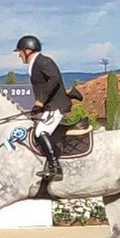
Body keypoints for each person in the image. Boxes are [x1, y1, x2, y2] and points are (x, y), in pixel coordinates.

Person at [15, 35, 71, 181]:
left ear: (28, 50)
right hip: (49, 106)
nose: (19, 56)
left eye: (20, 52)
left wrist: (40, 100)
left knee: (40, 131)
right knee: (36, 129)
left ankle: (55, 167)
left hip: (56, 105)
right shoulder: (35, 64)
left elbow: (55, 79)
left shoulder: (42, 61)